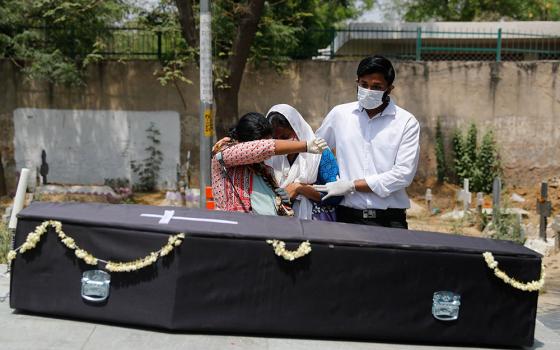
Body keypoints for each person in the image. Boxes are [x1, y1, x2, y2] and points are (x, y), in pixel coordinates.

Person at [313, 55, 420, 229]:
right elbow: (315, 152)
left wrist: (351, 185)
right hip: (345, 217)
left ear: (389, 89)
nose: (369, 90)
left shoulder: (406, 122)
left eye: (376, 87)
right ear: (357, 82)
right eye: (363, 85)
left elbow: (402, 175)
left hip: (389, 220)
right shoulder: (340, 115)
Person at [211, 112, 327, 215]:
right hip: (235, 226)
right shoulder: (223, 152)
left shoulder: (262, 167)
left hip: (265, 229)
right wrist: (305, 146)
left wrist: (281, 199)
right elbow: (262, 148)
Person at [266, 104, 342, 220]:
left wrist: (299, 188)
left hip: (314, 224)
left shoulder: (319, 153)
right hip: (277, 222)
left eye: (285, 136)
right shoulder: (269, 157)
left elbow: (336, 195)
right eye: (275, 139)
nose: (281, 143)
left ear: (298, 130)